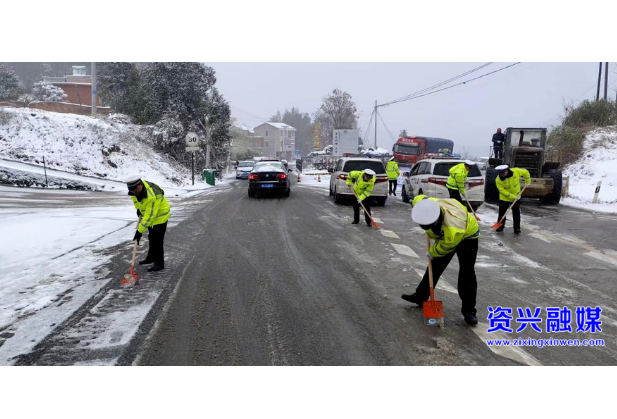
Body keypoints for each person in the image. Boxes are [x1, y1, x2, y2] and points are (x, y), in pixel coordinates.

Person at [402, 195, 480, 325]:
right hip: (446, 231)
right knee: (434, 266)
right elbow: (419, 199)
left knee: (467, 273)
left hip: (467, 236)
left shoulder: (453, 228)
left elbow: (445, 246)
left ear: (436, 220)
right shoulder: (428, 205)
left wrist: (432, 252)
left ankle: (469, 311)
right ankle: (420, 296)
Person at [125, 175, 171, 272]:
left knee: (157, 240)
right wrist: (138, 209)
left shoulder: (151, 196)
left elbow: (150, 216)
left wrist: (139, 231)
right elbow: (136, 201)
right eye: (132, 190)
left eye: (135, 190)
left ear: (140, 184)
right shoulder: (134, 191)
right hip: (151, 214)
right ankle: (150, 258)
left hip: (160, 216)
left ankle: (159, 263)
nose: (134, 192)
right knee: (151, 237)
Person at [494, 165, 531, 235]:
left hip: (517, 195)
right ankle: (500, 227)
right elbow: (502, 190)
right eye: (500, 174)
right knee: (502, 213)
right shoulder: (498, 180)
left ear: (507, 170)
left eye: (503, 173)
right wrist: (512, 196)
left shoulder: (516, 171)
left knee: (516, 213)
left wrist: (527, 180)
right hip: (504, 198)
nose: (502, 175)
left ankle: (517, 228)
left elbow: (526, 172)